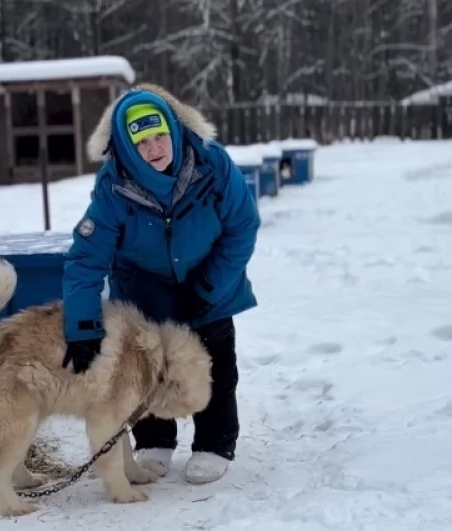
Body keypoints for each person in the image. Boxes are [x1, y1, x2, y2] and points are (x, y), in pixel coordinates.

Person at [60, 83, 260, 484]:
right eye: (142, 143)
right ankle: (153, 441)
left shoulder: (212, 164)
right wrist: (81, 328)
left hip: (209, 284)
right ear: (127, 147)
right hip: (143, 292)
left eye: (159, 136)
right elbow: (86, 258)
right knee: (142, 368)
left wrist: (210, 287)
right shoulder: (113, 188)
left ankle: (215, 443)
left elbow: (243, 226)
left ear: (173, 128)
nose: (154, 148)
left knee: (216, 365)